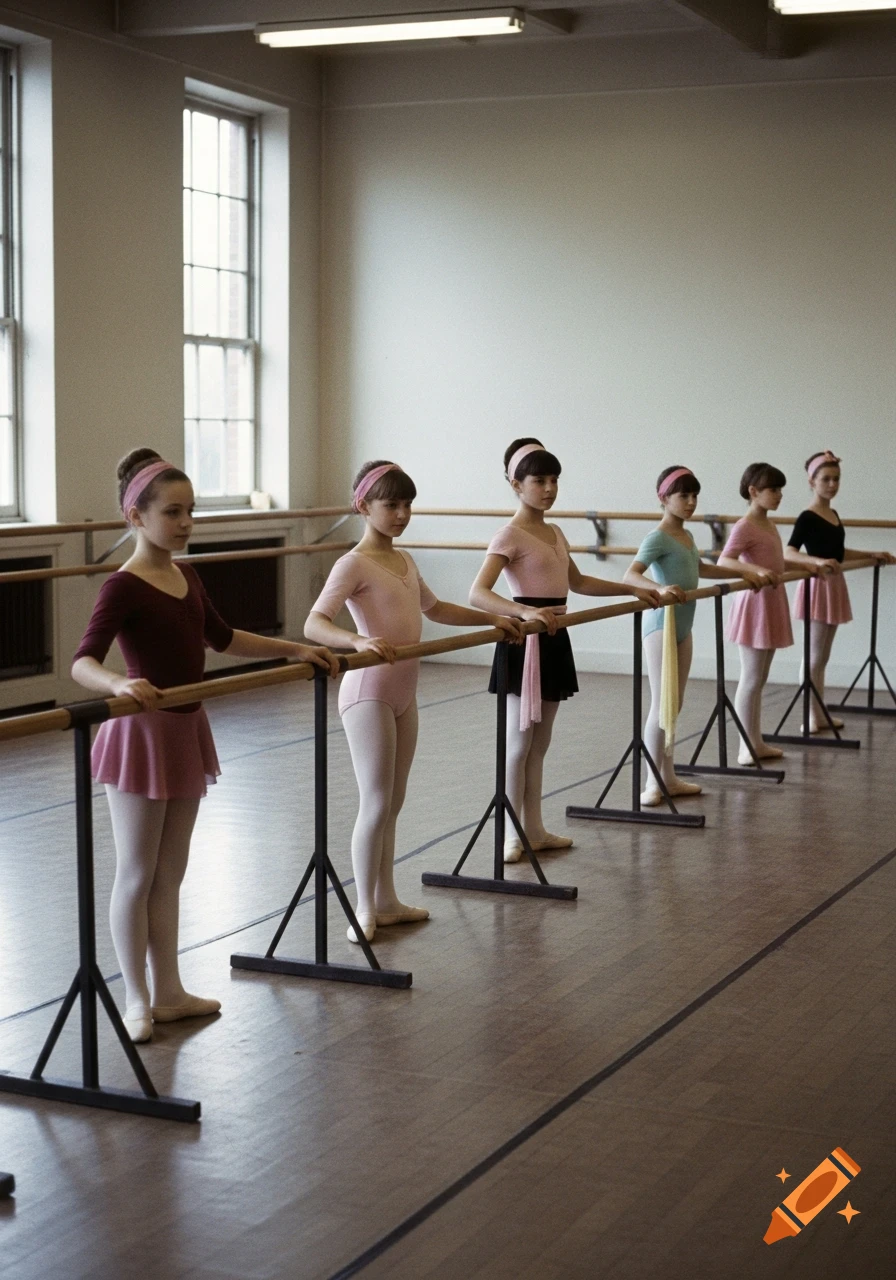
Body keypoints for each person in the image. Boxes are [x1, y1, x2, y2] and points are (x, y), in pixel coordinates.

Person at [72, 449, 339, 1043]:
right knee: (136, 872)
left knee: (171, 872)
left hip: (186, 728)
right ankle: (135, 995)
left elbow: (220, 638)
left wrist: (294, 648)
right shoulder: (124, 585)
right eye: (173, 512)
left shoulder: (187, 575)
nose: (186, 523)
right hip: (141, 733)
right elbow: (82, 662)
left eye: (191, 511)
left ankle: (168, 990)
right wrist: (118, 682)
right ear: (136, 518)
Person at [305, 460, 523, 941]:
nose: (402, 514)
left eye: (408, 505)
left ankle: (385, 898)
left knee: (394, 799)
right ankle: (362, 907)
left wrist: (493, 623)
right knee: (376, 800)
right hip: (368, 693)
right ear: (363, 506)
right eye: (392, 505)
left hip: (404, 693)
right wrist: (358, 642)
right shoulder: (353, 563)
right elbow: (314, 623)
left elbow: (436, 608)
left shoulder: (404, 561)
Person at [469, 438, 660, 861]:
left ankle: (534, 828)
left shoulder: (555, 531)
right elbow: (478, 594)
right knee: (518, 745)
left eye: (554, 480)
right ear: (515, 484)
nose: (550, 489)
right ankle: (509, 834)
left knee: (540, 744)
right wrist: (521, 613)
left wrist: (631, 587)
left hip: (554, 638)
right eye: (539, 480)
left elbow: (579, 583)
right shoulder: (509, 534)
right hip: (525, 643)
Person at [623, 465, 768, 806]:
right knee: (661, 704)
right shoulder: (657, 537)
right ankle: (651, 782)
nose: (690, 502)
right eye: (683, 495)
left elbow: (702, 569)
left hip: (683, 627)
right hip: (661, 625)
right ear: (664, 498)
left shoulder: (686, 537)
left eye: (694, 496)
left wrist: (749, 573)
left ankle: (668, 775)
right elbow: (631, 575)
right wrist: (660, 589)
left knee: (675, 703)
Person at [783, 450, 895, 732]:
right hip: (818, 586)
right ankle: (811, 716)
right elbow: (790, 552)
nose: (832, 485)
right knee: (814, 656)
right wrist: (817, 562)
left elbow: (838, 552)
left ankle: (819, 713)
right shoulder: (807, 517)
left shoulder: (832, 513)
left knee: (823, 657)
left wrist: (872, 553)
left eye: (836, 479)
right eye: (826, 479)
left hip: (834, 584)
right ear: (812, 481)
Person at [716, 463, 788, 764]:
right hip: (755, 603)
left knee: (760, 677)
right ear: (753, 491)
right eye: (773, 490)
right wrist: (756, 569)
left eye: (780, 490)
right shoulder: (745, 525)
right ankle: (746, 746)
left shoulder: (769, 524)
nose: (779, 495)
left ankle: (755, 740)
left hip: (771, 601)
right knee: (751, 676)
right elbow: (725, 560)